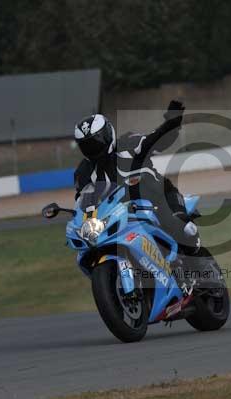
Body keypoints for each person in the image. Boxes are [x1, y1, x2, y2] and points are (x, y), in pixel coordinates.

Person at [73, 100, 201, 289]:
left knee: (184, 228)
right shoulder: (83, 172)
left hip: (160, 197)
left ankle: (201, 276)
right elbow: (83, 200)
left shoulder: (129, 143)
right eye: (88, 145)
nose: (94, 148)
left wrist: (172, 121)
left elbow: (158, 140)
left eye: (97, 141)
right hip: (123, 214)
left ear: (108, 134)